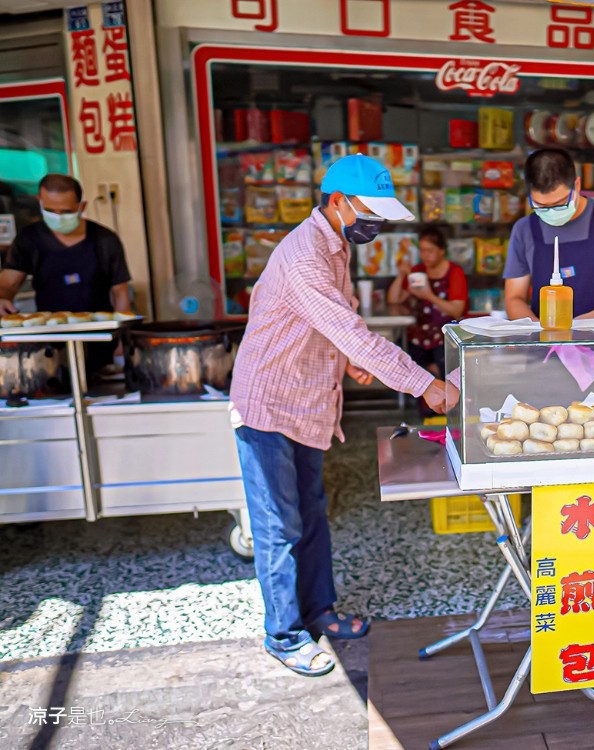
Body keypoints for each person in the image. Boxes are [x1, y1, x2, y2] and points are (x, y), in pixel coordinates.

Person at [229, 154, 458, 678]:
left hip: (308, 400)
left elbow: (341, 321)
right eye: (369, 212)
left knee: (311, 513)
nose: (375, 224)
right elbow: (351, 329)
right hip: (268, 404)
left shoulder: (335, 246)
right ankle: (284, 635)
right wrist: (426, 385)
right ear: (337, 202)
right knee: (278, 524)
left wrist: (353, 360)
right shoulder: (304, 256)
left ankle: (320, 612)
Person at [504, 148, 594, 320]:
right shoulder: (524, 229)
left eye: (559, 204)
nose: (551, 211)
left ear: (577, 185)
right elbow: (514, 298)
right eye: (541, 205)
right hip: (546, 344)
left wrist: (584, 325)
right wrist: (540, 333)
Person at [0, 174, 131, 315]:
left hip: (99, 330)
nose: (58, 217)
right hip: (50, 330)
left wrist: (122, 329)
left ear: (82, 207)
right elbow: (8, 284)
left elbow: (120, 294)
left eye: (66, 212)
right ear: (40, 202)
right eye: (50, 211)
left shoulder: (105, 240)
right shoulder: (28, 239)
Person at [387, 225, 469, 377]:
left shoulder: (454, 273)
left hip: (446, 338)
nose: (425, 255)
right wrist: (401, 275)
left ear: (441, 250)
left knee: (446, 379)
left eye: (430, 251)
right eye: (422, 250)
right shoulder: (418, 271)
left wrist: (429, 296)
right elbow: (394, 300)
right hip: (418, 337)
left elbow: (456, 310)